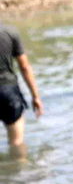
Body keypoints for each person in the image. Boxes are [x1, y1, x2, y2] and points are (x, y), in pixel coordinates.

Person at [0, 22, 43, 158]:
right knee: (17, 143)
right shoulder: (10, 32)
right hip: (8, 91)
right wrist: (36, 97)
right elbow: (24, 67)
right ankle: (19, 175)